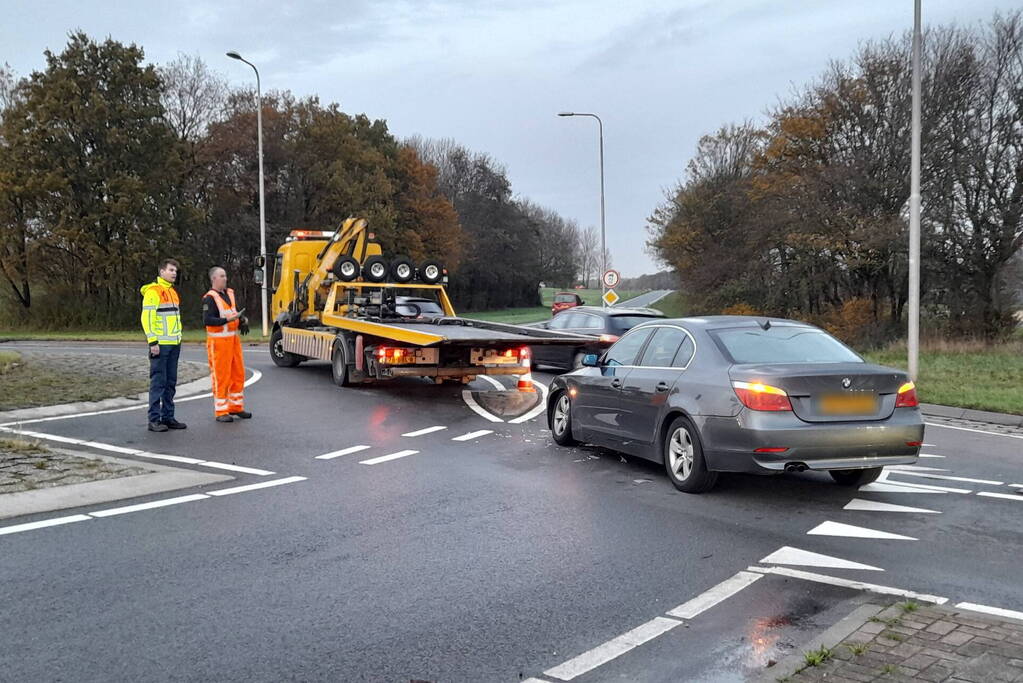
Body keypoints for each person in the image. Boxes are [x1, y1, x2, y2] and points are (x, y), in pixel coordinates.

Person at [140, 259, 186, 432]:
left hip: (174, 343)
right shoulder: (153, 292)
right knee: (158, 382)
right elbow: (147, 318)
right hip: (160, 344)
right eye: (171, 270)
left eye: (175, 270)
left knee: (170, 382)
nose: (174, 273)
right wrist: (153, 341)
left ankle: (168, 417)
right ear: (161, 272)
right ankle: (154, 419)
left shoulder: (173, 292)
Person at [203, 267, 251, 422]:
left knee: (238, 374)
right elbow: (207, 320)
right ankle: (221, 411)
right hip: (218, 342)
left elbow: (233, 312)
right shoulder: (209, 298)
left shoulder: (230, 293)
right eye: (222, 276)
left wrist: (241, 321)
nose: (225, 278)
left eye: (225, 275)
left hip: (233, 340)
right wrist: (228, 320)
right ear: (214, 279)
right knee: (221, 376)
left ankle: (236, 407)